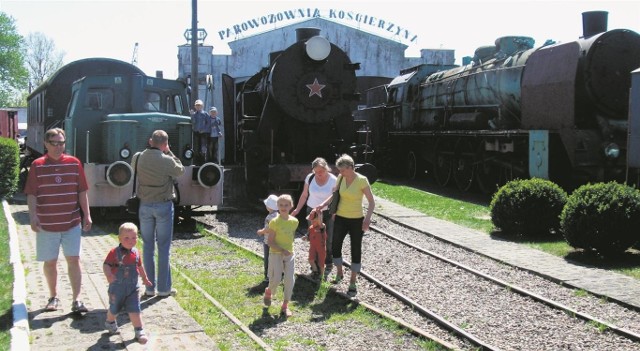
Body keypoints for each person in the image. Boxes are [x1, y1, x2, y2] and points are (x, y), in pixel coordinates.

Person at [24, 128, 93, 312]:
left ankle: (77, 300)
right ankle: (53, 297)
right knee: (50, 262)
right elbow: (31, 194)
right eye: (53, 143)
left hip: (71, 223)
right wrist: (33, 216)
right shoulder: (37, 165)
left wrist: (87, 214)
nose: (58, 147)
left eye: (61, 143)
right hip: (47, 224)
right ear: (46, 144)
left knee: (74, 259)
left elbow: (82, 191)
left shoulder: (74, 163)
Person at [131, 130, 185, 298]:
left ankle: (148, 288)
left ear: (150, 141)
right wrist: (168, 151)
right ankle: (163, 289)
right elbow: (181, 170)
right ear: (164, 144)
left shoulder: (137, 157)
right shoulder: (167, 160)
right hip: (163, 206)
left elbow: (135, 171)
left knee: (147, 246)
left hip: (145, 206)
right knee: (163, 248)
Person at [316, 154, 375, 298]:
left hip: (356, 219)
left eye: (342, 170)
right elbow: (335, 194)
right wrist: (324, 204)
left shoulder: (362, 180)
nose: (340, 173)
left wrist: (367, 220)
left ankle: (353, 281)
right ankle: (339, 272)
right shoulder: (341, 178)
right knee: (335, 246)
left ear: (350, 168)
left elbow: (371, 202)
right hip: (341, 217)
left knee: (356, 248)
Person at [103, 222, 152, 344]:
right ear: (119, 238)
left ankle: (139, 330)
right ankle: (110, 322)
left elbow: (140, 266)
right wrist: (109, 275)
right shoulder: (114, 252)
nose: (131, 241)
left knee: (135, 309)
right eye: (126, 238)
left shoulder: (136, 252)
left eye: (134, 237)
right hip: (117, 287)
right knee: (114, 308)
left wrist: (145, 278)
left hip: (133, 288)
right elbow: (106, 264)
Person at [292, 157, 337, 279]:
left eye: (321, 171)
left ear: (326, 168)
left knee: (328, 238)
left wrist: (323, 205)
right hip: (312, 212)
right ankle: (315, 265)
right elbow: (304, 194)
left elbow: (334, 196)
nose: (318, 174)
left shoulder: (333, 180)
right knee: (314, 238)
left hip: (327, 212)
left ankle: (327, 262)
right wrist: (297, 209)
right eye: (316, 172)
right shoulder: (310, 177)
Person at [262, 194, 298, 317]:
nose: (283, 207)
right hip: (275, 253)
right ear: (277, 206)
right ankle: (269, 291)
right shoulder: (274, 222)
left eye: (286, 205)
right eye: (281, 205)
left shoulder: (294, 222)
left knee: (289, 280)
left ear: (291, 206)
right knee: (276, 279)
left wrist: (288, 250)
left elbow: (290, 237)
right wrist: (282, 250)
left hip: (289, 254)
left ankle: (285, 306)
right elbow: (270, 241)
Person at [256, 194, 278, 283]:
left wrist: (261, 232)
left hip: (268, 242)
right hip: (276, 241)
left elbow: (268, 229)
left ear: (269, 207)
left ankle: (268, 277)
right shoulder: (278, 215)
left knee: (268, 259)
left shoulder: (269, 217)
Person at [303, 209, 327, 281]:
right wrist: (306, 238)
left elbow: (321, 224)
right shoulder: (311, 228)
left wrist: (319, 216)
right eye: (311, 221)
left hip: (321, 248)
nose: (312, 222)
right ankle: (315, 271)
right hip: (313, 247)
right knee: (311, 259)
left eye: (314, 221)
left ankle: (321, 275)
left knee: (321, 263)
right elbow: (309, 237)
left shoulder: (322, 227)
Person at [190, 99, 210, 165]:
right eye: (197, 105)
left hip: (203, 133)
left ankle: (203, 161)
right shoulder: (194, 114)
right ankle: (197, 161)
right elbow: (192, 122)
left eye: (199, 105)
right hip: (196, 132)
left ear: (202, 106)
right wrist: (192, 115)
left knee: (203, 147)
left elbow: (209, 123)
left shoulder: (205, 114)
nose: (198, 107)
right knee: (196, 147)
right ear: (195, 106)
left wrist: (204, 129)